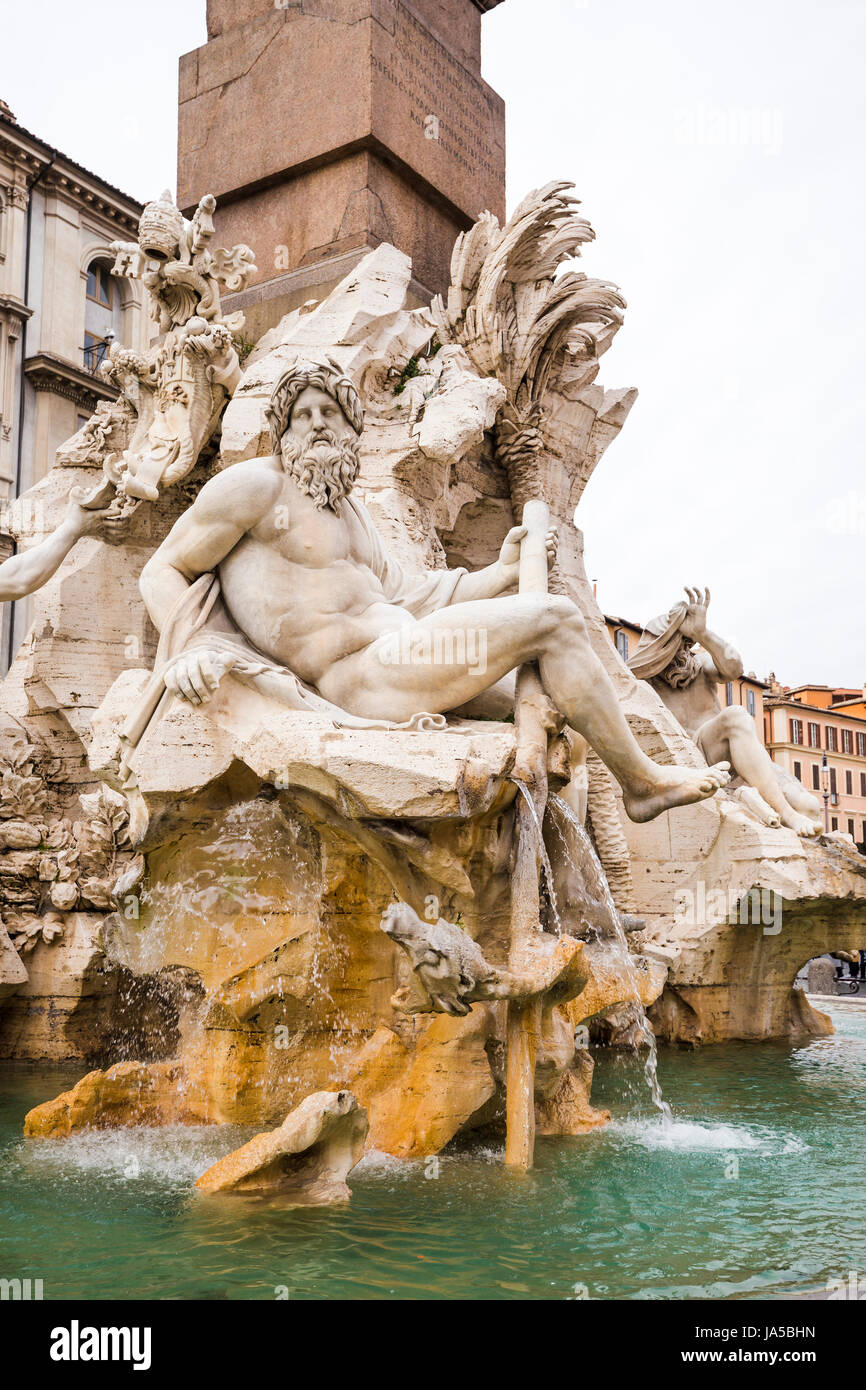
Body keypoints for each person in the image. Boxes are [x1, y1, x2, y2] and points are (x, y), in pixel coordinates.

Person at [137, 359, 730, 825]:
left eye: (330, 414)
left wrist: (499, 574)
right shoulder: (253, 488)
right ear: (283, 431)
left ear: (352, 430)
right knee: (554, 619)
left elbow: (414, 597)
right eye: (302, 415)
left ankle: (565, 910)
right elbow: (162, 569)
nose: (316, 424)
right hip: (358, 679)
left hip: (407, 657)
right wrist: (186, 647)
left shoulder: (354, 516)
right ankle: (643, 785)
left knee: (561, 734)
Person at [630, 589, 821, 836]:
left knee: (811, 806)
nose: (681, 652)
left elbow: (733, 667)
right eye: (674, 645)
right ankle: (786, 813)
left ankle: (771, 806)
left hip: (742, 755)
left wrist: (703, 634)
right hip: (698, 757)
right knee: (737, 716)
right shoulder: (645, 682)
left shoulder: (699, 665)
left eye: (685, 645)